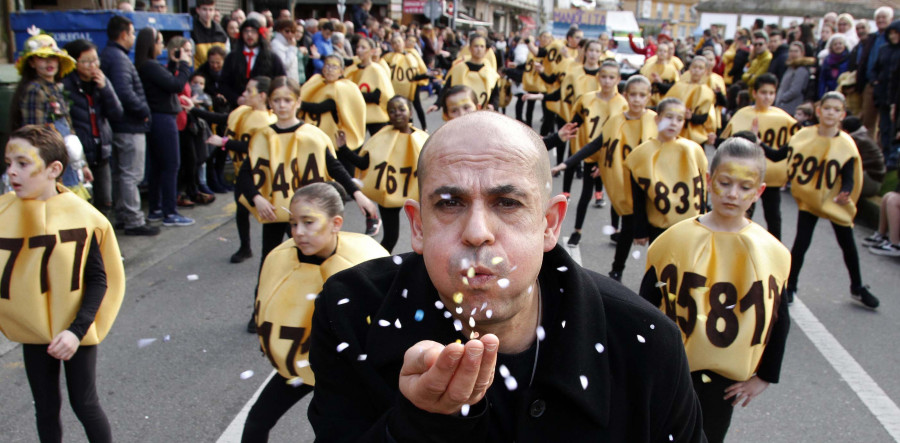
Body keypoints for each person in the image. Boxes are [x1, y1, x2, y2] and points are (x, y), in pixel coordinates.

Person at [307, 111, 704, 441]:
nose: (477, 230)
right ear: (419, 226)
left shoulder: (646, 342)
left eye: (508, 202)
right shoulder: (351, 312)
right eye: (449, 203)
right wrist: (417, 423)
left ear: (550, 224)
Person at [640, 137, 791, 443]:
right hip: (672, 366)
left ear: (759, 192)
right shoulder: (674, 240)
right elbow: (644, 306)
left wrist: (764, 376)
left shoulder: (770, 251)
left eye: (745, 187)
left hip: (723, 380)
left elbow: (779, 316)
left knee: (708, 437)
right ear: (709, 181)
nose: (733, 194)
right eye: (725, 182)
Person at [1, 125, 126, 443]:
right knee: (45, 407)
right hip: (33, 330)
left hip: (75, 329)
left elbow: (100, 279)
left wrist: (76, 331)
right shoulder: (5, 213)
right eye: (8, 163)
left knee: (84, 404)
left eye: (22, 163)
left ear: (54, 169)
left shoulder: (84, 216)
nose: (12, 172)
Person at [241, 182, 388, 442]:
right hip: (300, 364)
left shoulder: (363, 262)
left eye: (309, 222)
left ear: (336, 223)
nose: (298, 232)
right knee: (256, 422)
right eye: (294, 223)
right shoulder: (281, 257)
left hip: (348, 375)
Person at [237, 76, 379, 333]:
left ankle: (317, 313)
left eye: (287, 100)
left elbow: (334, 167)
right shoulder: (262, 136)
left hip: (307, 214)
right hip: (277, 213)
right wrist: (257, 198)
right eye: (276, 100)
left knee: (316, 264)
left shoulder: (313, 136)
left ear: (298, 102)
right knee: (270, 262)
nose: (282, 105)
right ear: (269, 102)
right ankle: (261, 309)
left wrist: (357, 194)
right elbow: (245, 174)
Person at [760, 92, 879, 308]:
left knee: (847, 244)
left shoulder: (846, 144)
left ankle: (857, 286)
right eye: (827, 108)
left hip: (834, 201)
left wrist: (846, 190)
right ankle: (791, 286)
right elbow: (779, 156)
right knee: (801, 242)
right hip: (810, 198)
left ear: (842, 114)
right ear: (818, 110)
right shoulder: (804, 135)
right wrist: (758, 143)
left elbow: (849, 174)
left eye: (836, 109)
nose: (830, 113)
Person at [552, 75, 657, 280]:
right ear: (625, 96)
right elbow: (597, 145)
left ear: (649, 97)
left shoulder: (655, 120)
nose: (637, 99)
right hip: (626, 189)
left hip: (650, 191)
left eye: (642, 95)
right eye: (633, 95)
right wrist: (566, 164)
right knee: (626, 233)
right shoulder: (616, 121)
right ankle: (616, 272)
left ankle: (656, 279)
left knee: (655, 240)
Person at [336, 96, 428, 252]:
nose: (397, 113)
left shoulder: (422, 138)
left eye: (401, 109)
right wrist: (344, 149)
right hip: (389, 196)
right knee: (391, 237)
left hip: (414, 195)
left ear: (410, 112)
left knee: (425, 234)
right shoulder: (381, 137)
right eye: (392, 111)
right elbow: (364, 163)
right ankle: (378, 265)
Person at [203, 76, 276, 263]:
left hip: (262, 173)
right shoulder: (243, 112)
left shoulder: (268, 120)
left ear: (261, 95)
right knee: (242, 209)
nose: (243, 94)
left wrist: (225, 142)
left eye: (248, 91)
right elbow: (223, 118)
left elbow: (253, 147)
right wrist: (194, 111)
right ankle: (245, 247)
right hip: (242, 170)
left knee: (275, 215)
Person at [11, 32, 91, 200]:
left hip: (65, 162)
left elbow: (69, 129)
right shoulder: (35, 90)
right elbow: (34, 137)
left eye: (53, 58)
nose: (50, 63)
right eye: (42, 58)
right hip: (49, 167)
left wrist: (82, 165)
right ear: (32, 63)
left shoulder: (54, 87)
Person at [720, 73, 799, 240]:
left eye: (771, 93)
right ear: (754, 93)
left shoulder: (784, 118)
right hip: (746, 177)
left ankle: (774, 251)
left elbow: (791, 149)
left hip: (772, 178)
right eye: (763, 92)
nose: (767, 97)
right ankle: (737, 245)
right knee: (744, 214)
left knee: (774, 218)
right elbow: (726, 142)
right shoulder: (743, 114)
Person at [100, 15, 159, 236]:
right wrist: (143, 111)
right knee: (130, 174)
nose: (133, 38)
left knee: (122, 174)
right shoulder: (118, 59)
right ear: (124, 34)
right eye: (132, 33)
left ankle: (125, 215)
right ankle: (133, 219)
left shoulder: (112, 56)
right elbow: (124, 92)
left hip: (122, 125)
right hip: (129, 125)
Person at [559, 60, 626, 243]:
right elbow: (576, 122)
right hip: (590, 153)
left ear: (618, 79)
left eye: (611, 77)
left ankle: (615, 229)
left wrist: (608, 161)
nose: (606, 81)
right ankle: (577, 230)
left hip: (611, 157)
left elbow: (622, 136)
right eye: (603, 76)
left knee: (615, 194)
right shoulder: (587, 99)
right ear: (598, 77)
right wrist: (560, 138)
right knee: (585, 194)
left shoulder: (623, 104)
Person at [626, 98, 708, 245]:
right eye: (669, 117)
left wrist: (704, 219)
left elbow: (701, 189)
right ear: (657, 119)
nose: (674, 123)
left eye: (679, 119)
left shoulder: (694, 150)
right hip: (658, 226)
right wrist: (640, 230)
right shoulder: (642, 154)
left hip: (689, 225)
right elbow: (638, 196)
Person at [135, 28, 194, 227]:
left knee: (159, 166)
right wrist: (185, 65)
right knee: (170, 165)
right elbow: (176, 84)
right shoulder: (149, 66)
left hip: (158, 117)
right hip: (162, 118)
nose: (161, 46)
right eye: (159, 42)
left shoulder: (149, 66)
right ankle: (170, 212)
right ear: (151, 44)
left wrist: (174, 63)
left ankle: (156, 208)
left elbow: (167, 80)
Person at [62, 39, 124, 215]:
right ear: (74, 62)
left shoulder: (101, 81)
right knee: (83, 204)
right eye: (86, 61)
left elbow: (117, 114)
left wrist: (105, 89)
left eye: (95, 60)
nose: (93, 66)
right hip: (80, 154)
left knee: (105, 201)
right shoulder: (67, 86)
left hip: (101, 150)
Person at [299, 55, 367, 174]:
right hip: (318, 135)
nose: (330, 69)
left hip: (338, 139)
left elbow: (321, 107)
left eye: (334, 66)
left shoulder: (344, 87)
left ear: (341, 71)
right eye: (327, 66)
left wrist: (298, 103)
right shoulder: (315, 82)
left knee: (344, 173)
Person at [220, 18, 286, 108]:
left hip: (265, 108)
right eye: (246, 31)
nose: (249, 35)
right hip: (238, 107)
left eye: (253, 31)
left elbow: (281, 81)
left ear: (259, 34)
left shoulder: (272, 58)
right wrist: (237, 99)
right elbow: (223, 84)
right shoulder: (232, 57)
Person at [432, 34, 500, 113]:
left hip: (482, 114)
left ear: (486, 50)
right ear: (470, 48)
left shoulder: (490, 72)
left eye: (482, 46)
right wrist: (437, 104)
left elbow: (495, 95)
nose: (479, 49)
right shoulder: (459, 68)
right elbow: (447, 88)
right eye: (476, 46)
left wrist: (493, 105)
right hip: (461, 114)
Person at [856, 7, 895, 141]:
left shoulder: (893, 40)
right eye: (878, 17)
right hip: (870, 83)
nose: (880, 20)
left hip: (888, 86)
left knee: (886, 123)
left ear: (891, 19)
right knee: (867, 121)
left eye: (884, 17)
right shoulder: (872, 38)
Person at [344, 38, 395, 136]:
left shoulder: (376, 70)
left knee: (380, 144)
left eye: (363, 47)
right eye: (358, 47)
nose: (359, 50)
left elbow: (378, 96)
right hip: (357, 115)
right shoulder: (352, 69)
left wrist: (356, 95)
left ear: (372, 51)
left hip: (375, 117)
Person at [664, 56, 716, 146]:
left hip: (695, 135)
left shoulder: (707, 91)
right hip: (675, 129)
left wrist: (691, 116)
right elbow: (666, 104)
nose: (696, 70)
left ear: (705, 71)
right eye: (694, 67)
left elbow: (704, 117)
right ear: (690, 69)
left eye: (700, 68)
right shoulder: (679, 86)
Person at [842, 116, 886, 198]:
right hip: (874, 179)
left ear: (846, 131)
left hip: (871, 181)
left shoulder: (856, 140)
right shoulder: (864, 136)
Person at [775, 42, 815, 115]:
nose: (793, 54)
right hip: (782, 105)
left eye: (796, 51)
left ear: (802, 53)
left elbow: (795, 90)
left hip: (791, 107)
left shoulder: (801, 69)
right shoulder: (790, 67)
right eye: (791, 51)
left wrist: (781, 98)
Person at [639, 41, 679, 107]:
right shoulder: (648, 66)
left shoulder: (672, 69)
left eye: (665, 51)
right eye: (660, 50)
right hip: (648, 99)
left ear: (667, 53)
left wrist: (660, 83)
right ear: (656, 52)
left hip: (663, 100)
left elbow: (674, 87)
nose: (662, 53)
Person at [192, 0, 229, 68]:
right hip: (198, 74)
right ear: (198, 10)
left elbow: (227, 59)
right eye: (204, 9)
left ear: (214, 11)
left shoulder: (222, 34)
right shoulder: (191, 32)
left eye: (210, 10)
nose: (208, 13)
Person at [270, 18, 300, 83]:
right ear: (280, 30)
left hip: (292, 81)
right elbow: (284, 65)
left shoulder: (290, 43)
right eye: (287, 31)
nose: (290, 34)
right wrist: (292, 48)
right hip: (283, 82)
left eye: (293, 32)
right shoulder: (276, 44)